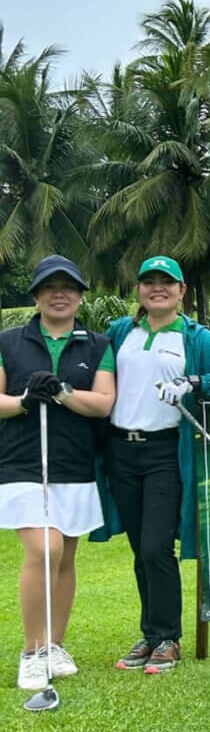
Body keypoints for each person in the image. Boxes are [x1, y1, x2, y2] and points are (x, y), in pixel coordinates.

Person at [94, 256, 210, 674]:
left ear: (182, 291)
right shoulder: (119, 333)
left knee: (155, 546)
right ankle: (150, 635)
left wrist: (195, 382)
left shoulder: (195, 338)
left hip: (165, 452)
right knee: (139, 549)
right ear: (138, 291)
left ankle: (167, 637)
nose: (158, 288)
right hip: (120, 451)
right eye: (149, 282)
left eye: (168, 282)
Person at [0, 256, 116, 690]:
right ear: (36, 295)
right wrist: (26, 400)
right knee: (45, 550)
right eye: (50, 287)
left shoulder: (97, 345)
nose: (60, 293)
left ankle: (54, 644)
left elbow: (103, 403)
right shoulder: (9, 342)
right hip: (22, 464)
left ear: (81, 295)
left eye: (69, 286)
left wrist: (64, 392)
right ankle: (31, 651)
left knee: (66, 557)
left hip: (73, 463)